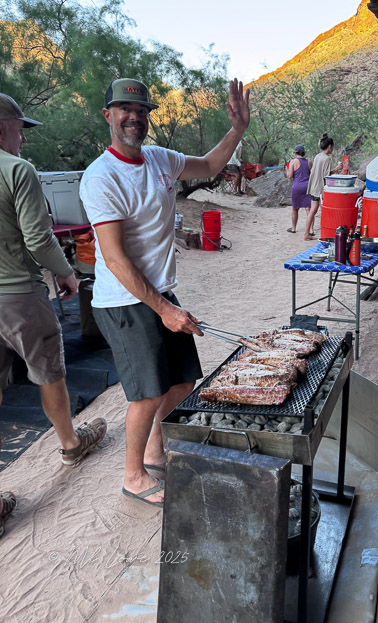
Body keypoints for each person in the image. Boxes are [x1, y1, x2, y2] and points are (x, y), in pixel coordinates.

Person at [79, 77, 250, 507]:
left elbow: (211, 166)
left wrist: (237, 130)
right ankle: (133, 476)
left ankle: (155, 451)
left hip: (158, 293)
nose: (134, 117)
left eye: (141, 111)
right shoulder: (101, 177)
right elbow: (115, 259)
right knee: (148, 391)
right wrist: (163, 309)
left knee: (183, 381)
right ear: (109, 116)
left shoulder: (159, 160)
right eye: (124, 110)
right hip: (123, 300)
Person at [0, 93, 108, 536]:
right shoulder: (16, 170)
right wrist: (65, 274)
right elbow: (38, 239)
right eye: (19, 127)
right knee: (49, 372)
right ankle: (70, 444)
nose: (24, 136)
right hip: (19, 296)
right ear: (3, 127)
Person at [304, 132, 342, 240]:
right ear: (329, 146)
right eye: (332, 147)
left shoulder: (317, 156)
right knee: (326, 211)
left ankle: (306, 234)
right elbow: (326, 176)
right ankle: (327, 234)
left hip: (313, 187)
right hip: (320, 188)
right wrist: (337, 169)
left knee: (312, 211)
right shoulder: (326, 158)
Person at [286, 144, 312, 234]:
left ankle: (293, 228)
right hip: (307, 187)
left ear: (295, 153)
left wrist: (287, 170)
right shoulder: (309, 162)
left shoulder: (293, 162)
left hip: (297, 187)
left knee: (295, 208)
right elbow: (311, 174)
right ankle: (311, 230)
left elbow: (290, 176)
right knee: (308, 208)